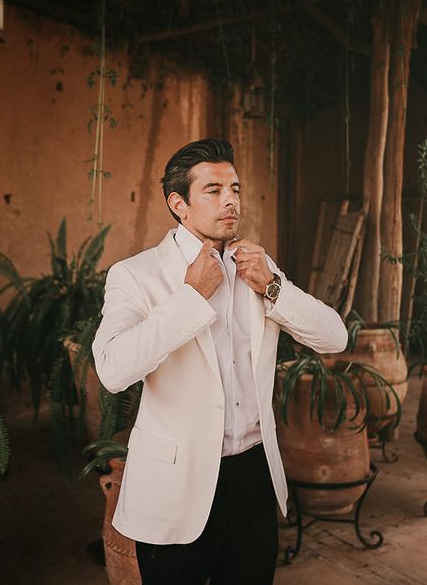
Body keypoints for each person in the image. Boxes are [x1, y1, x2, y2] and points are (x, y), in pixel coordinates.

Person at [92, 138, 348, 584]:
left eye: (235, 188)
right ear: (179, 204)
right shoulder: (135, 274)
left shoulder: (257, 265)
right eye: (213, 190)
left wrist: (273, 287)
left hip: (252, 474)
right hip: (175, 486)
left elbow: (334, 337)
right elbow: (113, 369)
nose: (231, 199)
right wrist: (191, 297)